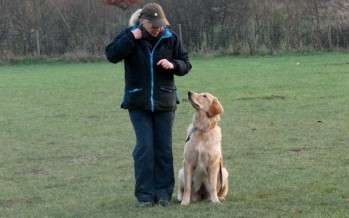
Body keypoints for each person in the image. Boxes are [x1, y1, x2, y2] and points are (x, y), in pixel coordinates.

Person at [105, 3, 192, 208]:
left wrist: (174, 65)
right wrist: (131, 38)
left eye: (160, 25)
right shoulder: (129, 35)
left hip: (165, 101)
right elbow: (111, 55)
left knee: (163, 149)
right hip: (138, 102)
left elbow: (186, 63)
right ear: (142, 23)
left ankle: (163, 195)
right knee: (145, 147)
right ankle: (145, 196)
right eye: (154, 26)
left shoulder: (170, 37)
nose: (158, 29)